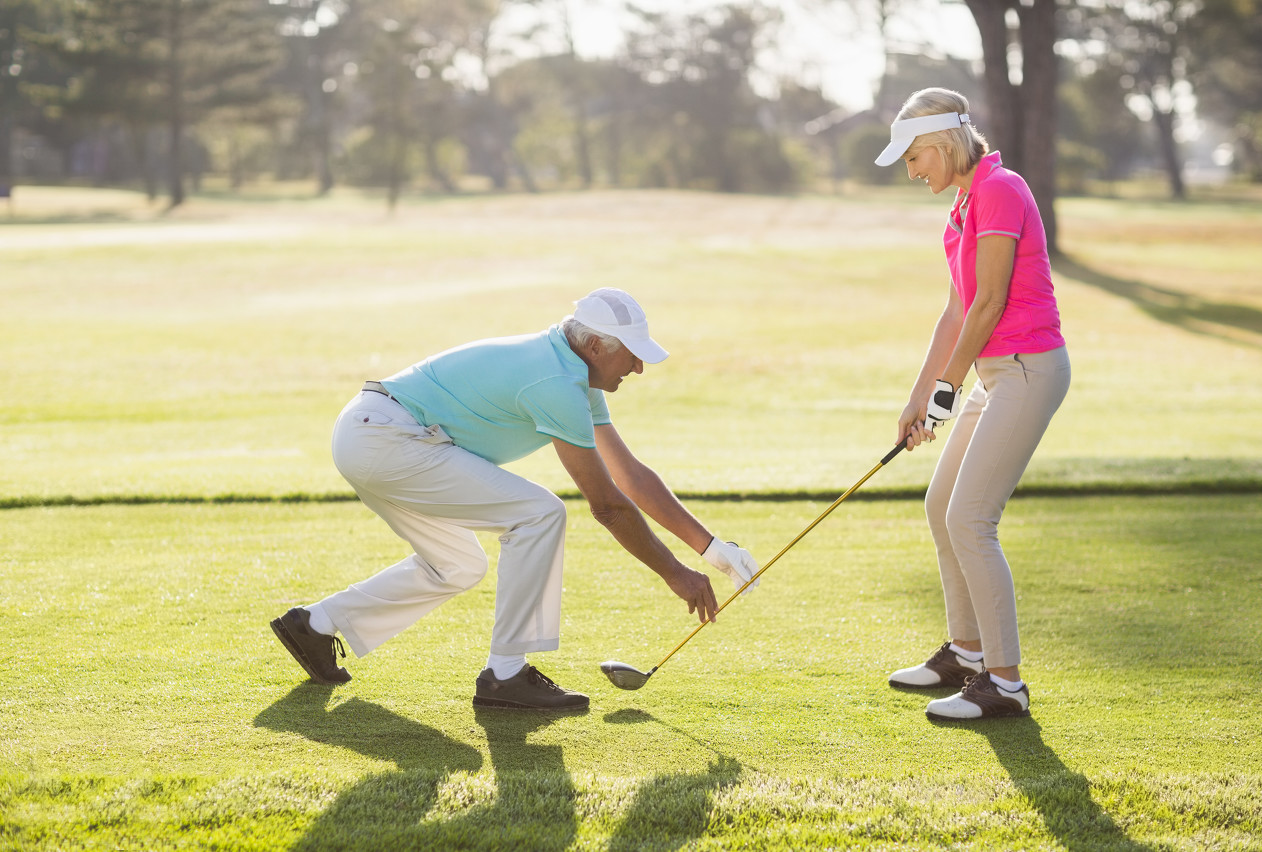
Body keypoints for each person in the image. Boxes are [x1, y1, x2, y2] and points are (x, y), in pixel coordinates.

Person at [270, 287, 761, 711]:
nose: (637, 366)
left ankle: (315, 624)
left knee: (458, 565)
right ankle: (505, 675)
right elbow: (608, 505)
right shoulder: (556, 382)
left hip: (373, 434)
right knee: (539, 513)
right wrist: (676, 575)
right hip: (388, 439)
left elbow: (629, 475)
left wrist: (713, 550)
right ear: (593, 345)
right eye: (630, 354)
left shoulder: (571, 372)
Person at [873, 88, 1070, 721]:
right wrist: (919, 396)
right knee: (941, 507)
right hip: (993, 374)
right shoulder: (962, 206)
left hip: (1027, 370)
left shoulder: (1002, 189)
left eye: (914, 158)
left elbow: (990, 303)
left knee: (971, 520)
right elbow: (957, 308)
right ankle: (965, 653)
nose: (912, 171)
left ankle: (1005, 683)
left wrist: (947, 389)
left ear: (941, 143)